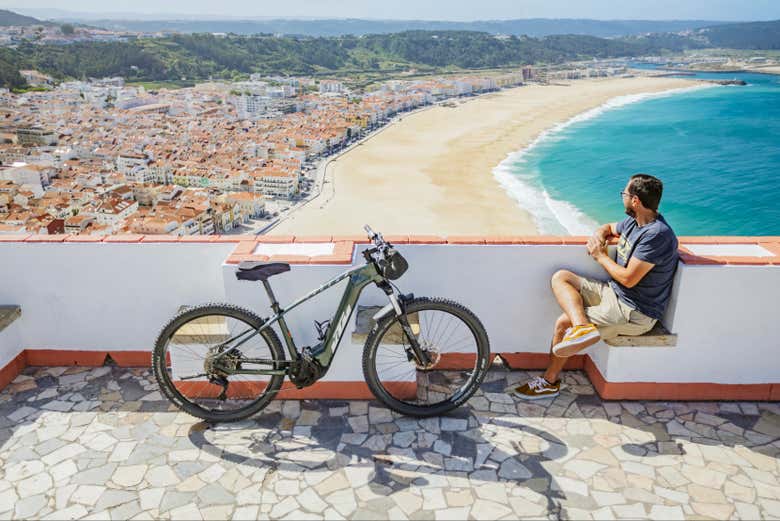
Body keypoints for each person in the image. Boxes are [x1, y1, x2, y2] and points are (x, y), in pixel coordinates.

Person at [511, 174, 679, 400]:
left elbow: (629, 279)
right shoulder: (634, 221)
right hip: (615, 294)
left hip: (636, 311)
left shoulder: (657, 235)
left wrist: (600, 256)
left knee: (562, 324)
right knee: (562, 277)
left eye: (625, 194)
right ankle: (583, 327)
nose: (623, 198)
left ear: (636, 201)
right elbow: (609, 227)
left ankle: (549, 382)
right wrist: (599, 235)